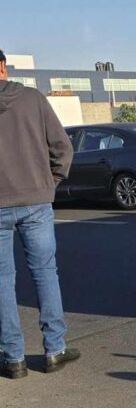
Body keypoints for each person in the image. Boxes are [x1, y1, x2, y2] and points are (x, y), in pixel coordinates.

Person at [0, 49, 79, 379]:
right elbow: (62, 147)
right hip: (36, 201)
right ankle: (54, 349)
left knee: (2, 280)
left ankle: (13, 357)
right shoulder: (32, 99)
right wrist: (50, 182)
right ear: (3, 66)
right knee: (46, 272)